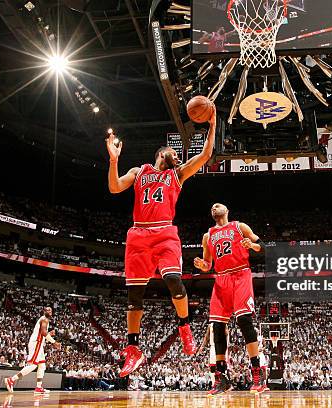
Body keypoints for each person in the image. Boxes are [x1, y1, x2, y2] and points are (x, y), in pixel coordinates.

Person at [107, 110, 217, 377]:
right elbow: (114, 187)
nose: (178, 157)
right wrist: (113, 161)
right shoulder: (139, 171)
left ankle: (184, 327)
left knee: (173, 280)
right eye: (174, 154)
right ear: (161, 153)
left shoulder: (176, 175)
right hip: (138, 235)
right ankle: (133, 349)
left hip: (165, 233)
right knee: (134, 296)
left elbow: (204, 156)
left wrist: (213, 125)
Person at [193, 203, 266, 394]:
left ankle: (257, 373)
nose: (215, 205)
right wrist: (203, 265)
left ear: (227, 210)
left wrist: (252, 245)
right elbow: (208, 263)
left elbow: (263, 247)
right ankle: (221, 378)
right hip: (222, 278)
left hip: (241, 274)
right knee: (217, 326)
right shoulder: (207, 236)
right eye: (212, 206)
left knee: (243, 320)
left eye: (219, 204)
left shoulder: (240, 227)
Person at [4, 307, 61, 394]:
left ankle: (38, 387)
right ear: (44, 312)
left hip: (39, 344)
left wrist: (49, 334)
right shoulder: (44, 319)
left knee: (42, 365)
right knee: (33, 365)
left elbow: (42, 334)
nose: (49, 311)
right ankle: (11, 379)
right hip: (36, 343)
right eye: (47, 310)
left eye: (50, 310)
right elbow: (43, 333)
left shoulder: (44, 320)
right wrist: (54, 342)